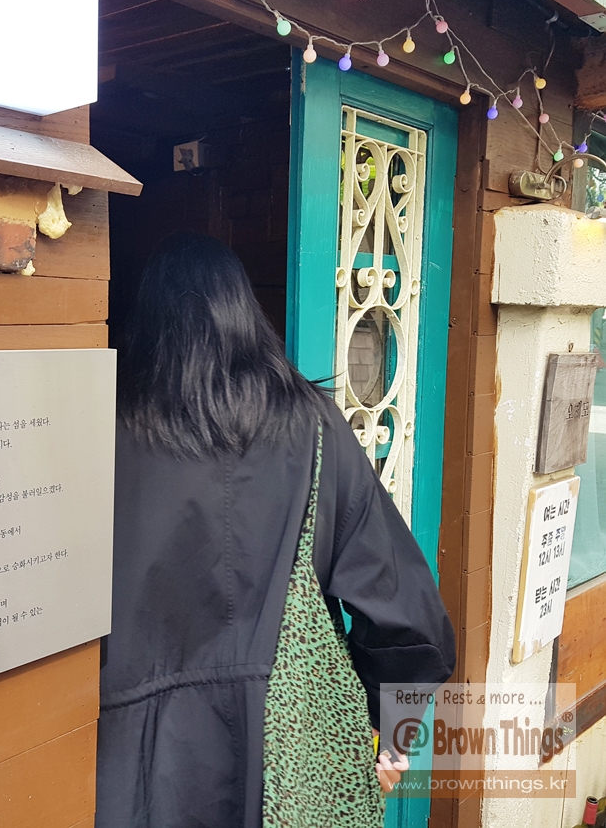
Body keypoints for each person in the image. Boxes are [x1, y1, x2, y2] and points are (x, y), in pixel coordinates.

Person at [96, 232, 456, 828]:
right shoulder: (314, 426)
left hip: (128, 763)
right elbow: (406, 615)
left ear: (148, 322)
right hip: (284, 757)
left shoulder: (103, 427)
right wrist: (392, 730)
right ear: (246, 314)